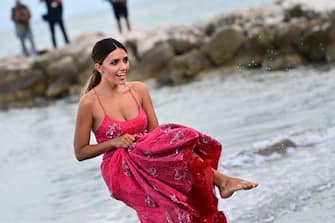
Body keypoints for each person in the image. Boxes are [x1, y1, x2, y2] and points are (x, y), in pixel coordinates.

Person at [73, 38, 258, 223]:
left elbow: (156, 134)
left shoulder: (139, 89)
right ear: (99, 67)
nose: (123, 67)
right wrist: (114, 142)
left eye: (125, 60)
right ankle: (222, 181)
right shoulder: (89, 102)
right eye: (114, 62)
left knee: (185, 188)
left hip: (148, 156)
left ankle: (220, 182)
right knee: (167, 211)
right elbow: (80, 152)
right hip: (120, 168)